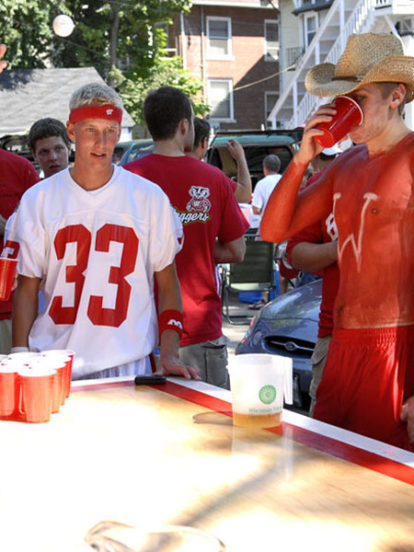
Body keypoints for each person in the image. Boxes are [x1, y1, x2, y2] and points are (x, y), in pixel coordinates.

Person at [261, 32, 414, 450]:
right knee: (325, 465)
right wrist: (301, 159)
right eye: (342, 99)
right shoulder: (345, 163)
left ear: (396, 96)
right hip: (341, 344)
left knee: (386, 481)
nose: (349, 109)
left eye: (358, 98)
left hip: (396, 346)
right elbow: (273, 231)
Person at [7, 82, 199, 381]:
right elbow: (27, 286)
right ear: (72, 131)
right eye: (91, 130)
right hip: (55, 362)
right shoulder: (38, 199)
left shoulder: (149, 197)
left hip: (129, 363)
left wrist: (170, 352)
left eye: (110, 130)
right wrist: (20, 355)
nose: (101, 141)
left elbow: (167, 281)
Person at [125, 86, 249, 388]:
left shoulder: (125, 178)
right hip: (197, 326)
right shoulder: (214, 179)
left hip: (136, 329)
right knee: (207, 416)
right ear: (184, 126)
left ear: (149, 127)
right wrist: (198, 246)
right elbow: (237, 251)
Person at [285, 146, 342, 416]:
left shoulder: (405, 166)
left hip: (398, 337)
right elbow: (294, 251)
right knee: (325, 432)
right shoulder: (324, 182)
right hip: (334, 333)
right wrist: (337, 249)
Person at [189, 117, 252, 203]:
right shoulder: (213, 176)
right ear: (204, 142)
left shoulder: (169, 170)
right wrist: (240, 158)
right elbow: (245, 195)